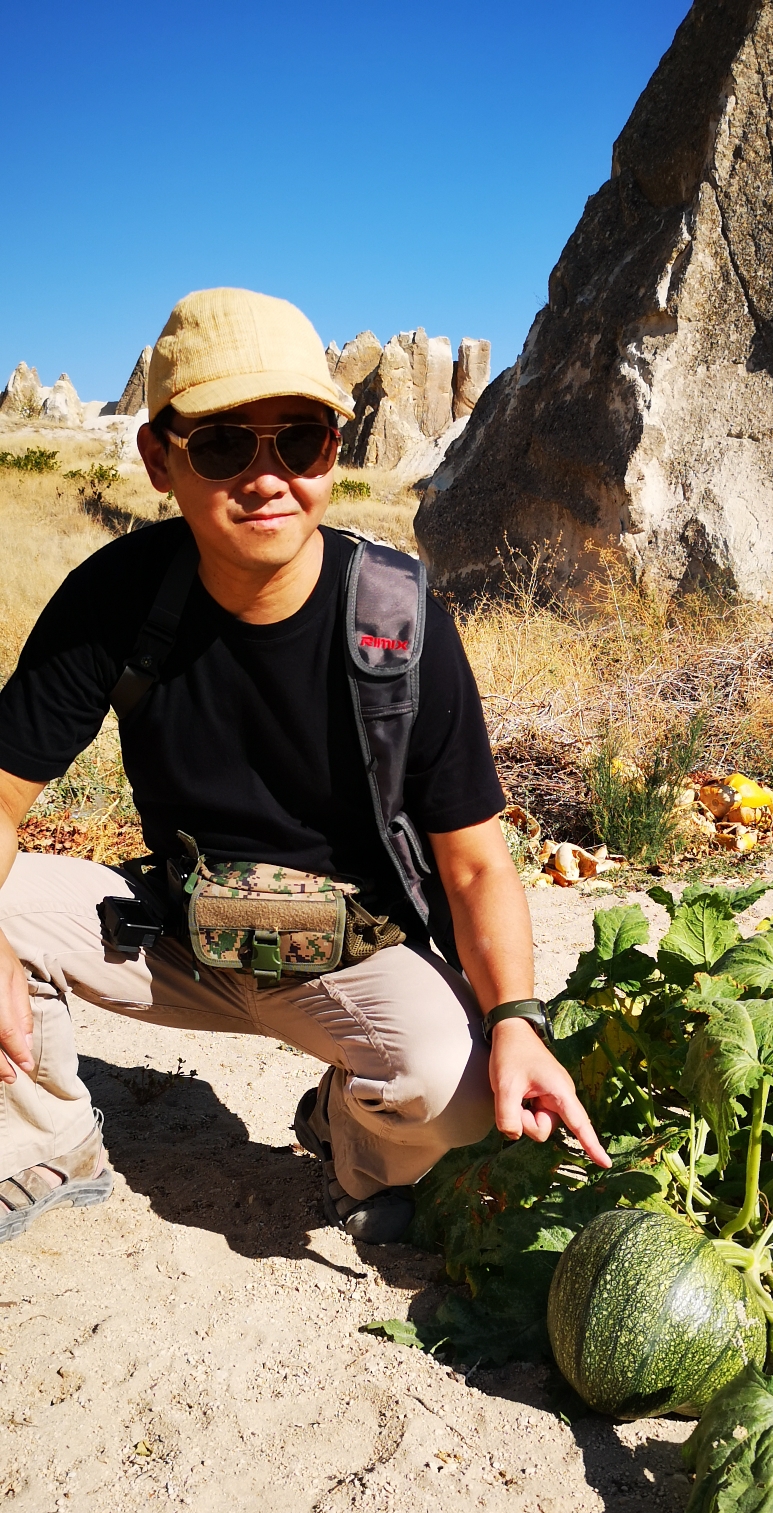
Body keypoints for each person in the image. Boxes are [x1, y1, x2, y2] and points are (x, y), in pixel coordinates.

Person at [0, 287, 609, 1248]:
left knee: (454, 1090)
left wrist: (521, 1022)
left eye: (300, 440)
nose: (267, 475)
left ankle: (345, 1137)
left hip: (354, 955)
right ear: (160, 460)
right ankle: (49, 1142)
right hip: (174, 931)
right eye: (223, 445)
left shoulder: (401, 622)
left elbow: (478, 863)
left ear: (337, 448)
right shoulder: (113, 599)